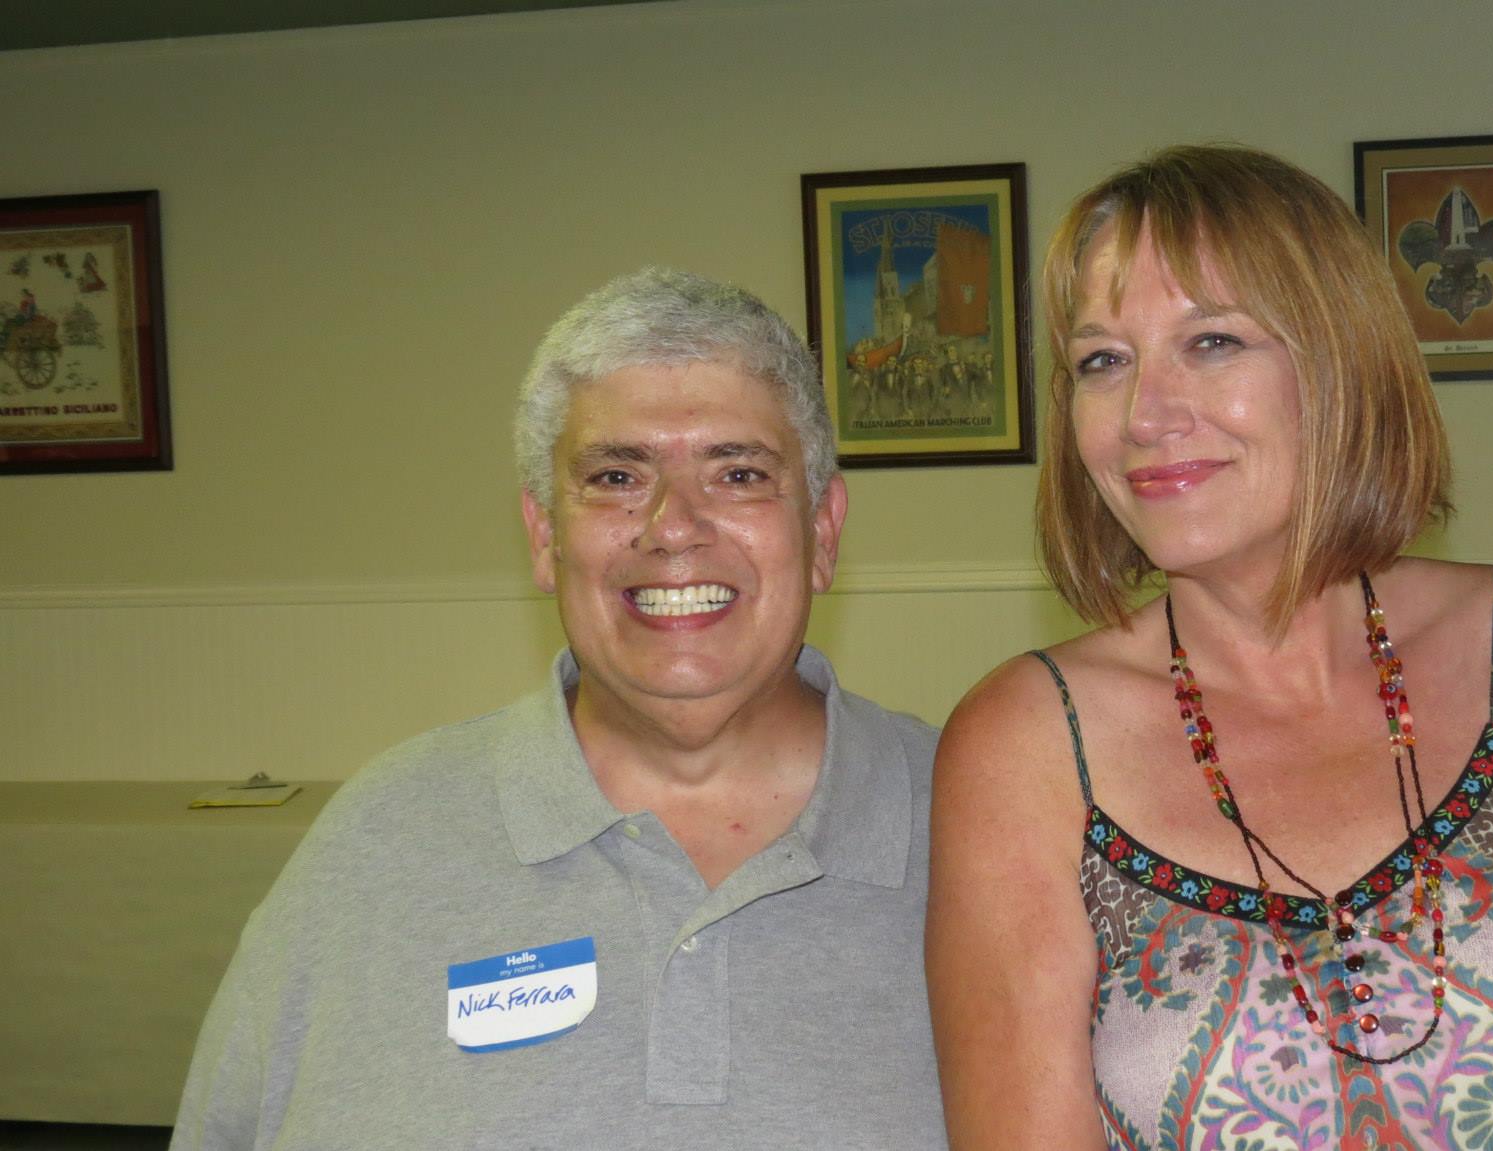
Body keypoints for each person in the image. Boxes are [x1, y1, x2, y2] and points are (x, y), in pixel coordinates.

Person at [926, 145, 1493, 1150]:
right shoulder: (1028, 747)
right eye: (1102, 361)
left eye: (1210, 341)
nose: (1144, 414)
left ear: (1338, 364)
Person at [173, 268, 946, 1149]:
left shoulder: (979, 825)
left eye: (738, 473)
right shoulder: (378, 840)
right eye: (616, 475)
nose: (673, 526)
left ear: (823, 530)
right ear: (544, 536)